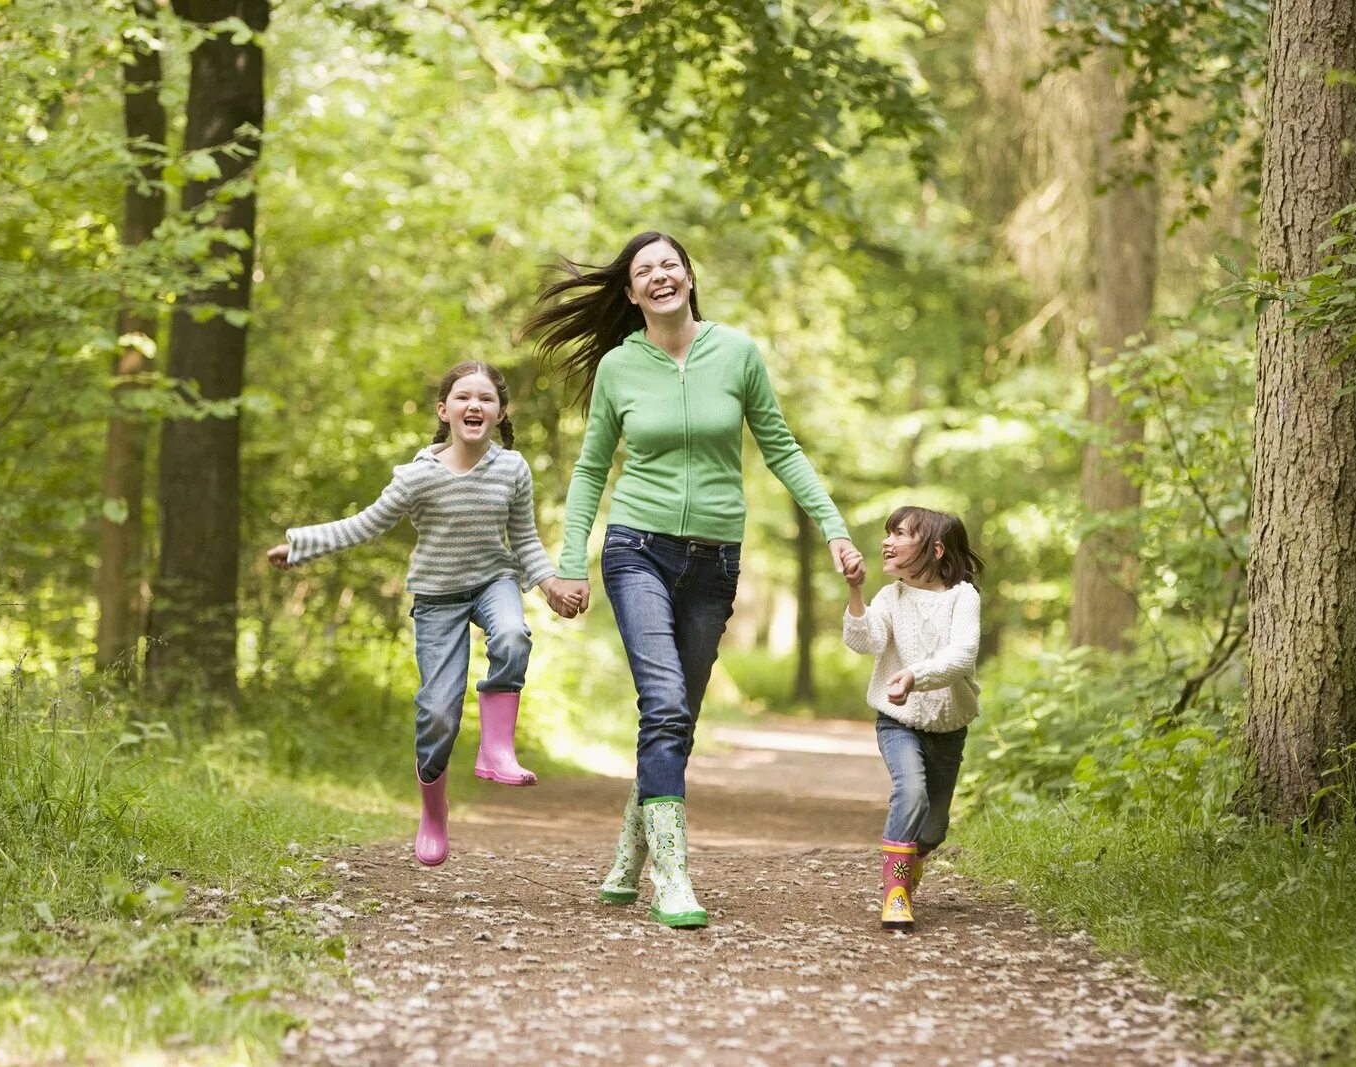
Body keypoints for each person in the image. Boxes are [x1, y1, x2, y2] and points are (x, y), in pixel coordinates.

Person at [523, 230, 864, 929]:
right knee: (667, 703)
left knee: (676, 718)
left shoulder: (736, 352)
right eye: (643, 270)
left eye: (668, 265)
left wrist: (833, 526)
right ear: (630, 292)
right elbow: (592, 469)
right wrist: (569, 561)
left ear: (688, 276)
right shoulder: (621, 366)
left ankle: (628, 853)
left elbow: (780, 445)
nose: (658, 277)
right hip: (636, 548)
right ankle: (672, 877)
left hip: (715, 559)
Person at [264, 361, 584, 868]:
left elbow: (523, 540)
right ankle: (434, 811)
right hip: (437, 596)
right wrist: (299, 545)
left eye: (485, 398)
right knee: (438, 712)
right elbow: (363, 525)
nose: (474, 405)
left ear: (500, 412)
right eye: (463, 397)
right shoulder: (418, 477)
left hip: (493, 582)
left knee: (513, 635)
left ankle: (496, 751)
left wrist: (548, 586)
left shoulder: (512, 469)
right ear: (444, 410)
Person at [841, 506, 984, 931]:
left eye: (899, 533)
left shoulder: (963, 597)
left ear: (935, 549)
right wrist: (855, 593)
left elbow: (961, 656)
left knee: (934, 828)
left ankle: (911, 859)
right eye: (887, 533)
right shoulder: (891, 596)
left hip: (948, 726)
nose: (887, 541)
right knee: (912, 792)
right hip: (896, 719)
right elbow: (865, 642)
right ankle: (896, 893)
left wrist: (914, 675)